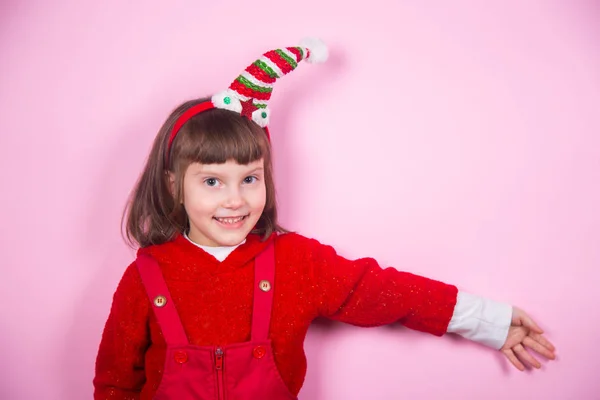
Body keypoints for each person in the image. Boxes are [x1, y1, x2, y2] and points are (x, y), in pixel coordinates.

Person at [93, 38, 556, 400]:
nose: (234, 200)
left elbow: (388, 292)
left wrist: (489, 321)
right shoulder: (144, 277)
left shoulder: (297, 264)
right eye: (212, 182)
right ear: (174, 183)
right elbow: (114, 383)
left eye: (250, 179)